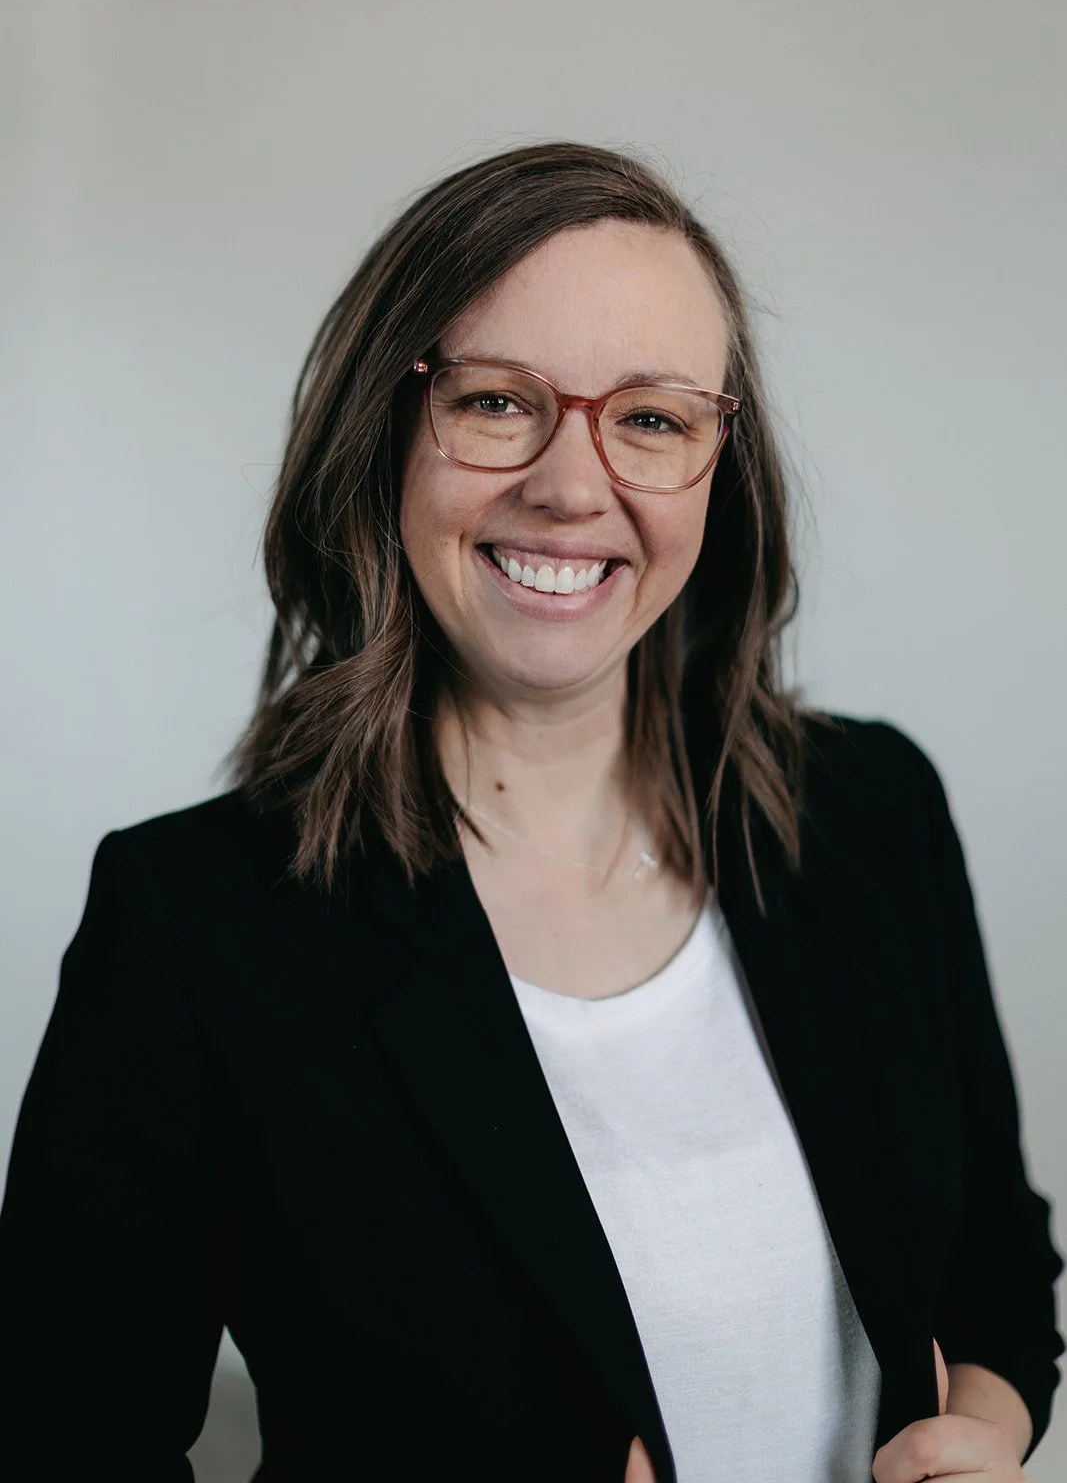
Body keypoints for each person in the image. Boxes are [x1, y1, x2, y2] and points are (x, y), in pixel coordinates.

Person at [0, 142, 1062, 1483]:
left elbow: (993, 1264)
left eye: (653, 419)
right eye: (498, 402)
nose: (570, 486)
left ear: (720, 467)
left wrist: (983, 1429)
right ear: (386, 432)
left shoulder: (871, 812)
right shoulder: (195, 927)